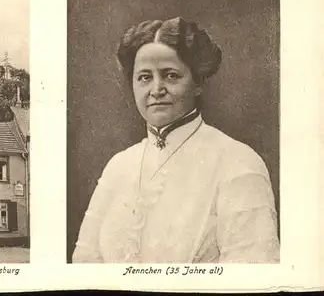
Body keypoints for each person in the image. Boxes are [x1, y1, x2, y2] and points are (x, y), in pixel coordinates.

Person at [72, 17, 280, 263]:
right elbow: (85, 262)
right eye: (144, 77)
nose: (156, 89)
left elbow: (249, 275)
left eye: (170, 76)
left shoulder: (237, 162)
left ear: (198, 82)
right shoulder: (118, 166)